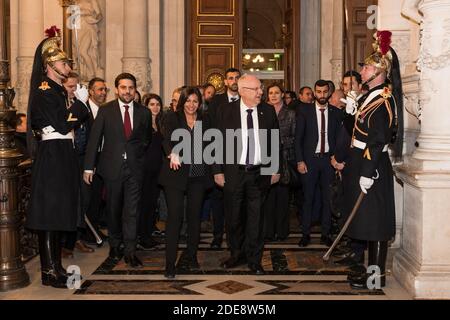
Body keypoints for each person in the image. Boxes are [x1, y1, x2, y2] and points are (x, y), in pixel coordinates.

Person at [26, 27, 89, 288]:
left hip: (62, 154)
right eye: (64, 63)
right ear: (51, 65)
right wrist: (81, 104)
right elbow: (63, 125)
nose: (67, 66)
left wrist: (75, 102)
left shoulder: (57, 89)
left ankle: (56, 267)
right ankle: (49, 271)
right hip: (52, 155)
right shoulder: (45, 90)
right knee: (50, 216)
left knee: (60, 213)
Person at [342, 31, 400, 289]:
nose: (362, 71)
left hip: (372, 168)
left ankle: (376, 279)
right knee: (366, 222)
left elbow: (377, 140)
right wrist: (349, 112)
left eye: (365, 68)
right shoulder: (369, 97)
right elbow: (356, 131)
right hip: (360, 163)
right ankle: (371, 273)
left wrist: (367, 171)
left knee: (376, 224)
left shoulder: (384, 101)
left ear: (378, 72)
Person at [213, 74, 280, 275]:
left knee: (256, 218)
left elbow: (275, 141)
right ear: (242, 91)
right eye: (256, 89)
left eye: (261, 88)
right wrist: (217, 170)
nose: (261, 92)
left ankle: (254, 259)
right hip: (233, 173)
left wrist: (275, 168)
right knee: (233, 218)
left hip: (259, 173)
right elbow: (216, 142)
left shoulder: (267, 111)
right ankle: (236, 254)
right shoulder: (225, 110)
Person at [83, 73, 152, 268]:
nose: (127, 91)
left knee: (132, 211)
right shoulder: (105, 111)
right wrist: (89, 167)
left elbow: (146, 140)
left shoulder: (144, 112)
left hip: (135, 170)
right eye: (123, 87)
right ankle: (114, 246)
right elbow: (94, 140)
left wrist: (134, 157)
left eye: (131, 88)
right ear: (116, 89)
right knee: (113, 209)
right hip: (111, 169)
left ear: (135, 89)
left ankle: (130, 251)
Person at [159, 87, 213, 278]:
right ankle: (169, 264)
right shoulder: (172, 117)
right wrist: (172, 152)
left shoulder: (205, 120)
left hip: (198, 174)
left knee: (194, 218)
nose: (191, 105)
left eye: (195, 101)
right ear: (182, 101)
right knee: (174, 218)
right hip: (175, 173)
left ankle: (192, 256)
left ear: (200, 103)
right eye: (188, 101)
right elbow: (166, 140)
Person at [295, 80, 340, 247]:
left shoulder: (336, 113)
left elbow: (339, 139)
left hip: (329, 161)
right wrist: (300, 160)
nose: (322, 95)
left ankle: (325, 233)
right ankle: (305, 233)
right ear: (315, 92)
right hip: (310, 161)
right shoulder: (304, 111)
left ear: (329, 93)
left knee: (328, 198)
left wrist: (338, 159)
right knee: (308, 198)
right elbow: (298, 139)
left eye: (324, 92)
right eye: (318, 91)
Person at [207, 67, 241, 249]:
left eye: (237, 77)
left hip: (241, 161)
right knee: (218, 201)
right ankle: (217, 235)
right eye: (230, 78)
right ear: (225, 82)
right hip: (220, 157)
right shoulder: (216, 102)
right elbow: (211, 131)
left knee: (237, 202)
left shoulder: (247, 99)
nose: (234, 80)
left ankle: (235, 238)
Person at [263, 83, 296, 241]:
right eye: (271, 93)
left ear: (283, 94)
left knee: (283, 198)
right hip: (266, 160)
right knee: (268, 198)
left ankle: (282, 232)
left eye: (277, 92)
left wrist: (279, 143)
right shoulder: (263, 112)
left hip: (284, 159)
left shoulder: (290, 114)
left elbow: (295, 137)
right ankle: (269, 231)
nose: (273, 95)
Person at [137, 93, 164, 250]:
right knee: (143, 203)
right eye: (151, 104)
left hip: (157, 170)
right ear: (145, 106)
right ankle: (142, 236)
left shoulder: (161, 124)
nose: (155, 107)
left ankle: (148, 233)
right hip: (143, 170)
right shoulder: (141, 124)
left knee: (152, 203)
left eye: (157, 104)